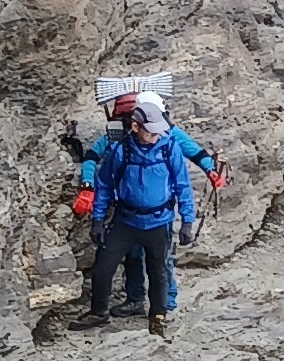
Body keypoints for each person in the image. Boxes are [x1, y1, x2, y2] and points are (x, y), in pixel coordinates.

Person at [72, 93, 224, 310]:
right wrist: (88, 187)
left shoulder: (158, 134)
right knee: (141, 257)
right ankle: (142, 300)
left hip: (152, 213)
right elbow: (195, 153)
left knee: (158, 260)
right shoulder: (122, 136)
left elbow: (193, 156)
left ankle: (160, 301)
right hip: (128, 211)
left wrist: (211, 169)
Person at [88, 92, 195, 335]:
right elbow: (104, 186)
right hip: (126, 220)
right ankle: (98, 313)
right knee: (103, 268)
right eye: (151, 131)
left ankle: (158, 316)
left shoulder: (169, 148)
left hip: (159, 222)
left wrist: (187, 221)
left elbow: (182, 186)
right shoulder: (120, 150)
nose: (156, 135)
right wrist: (97, 220)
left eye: (159, 130)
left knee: (158, 272)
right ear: (135, 126)